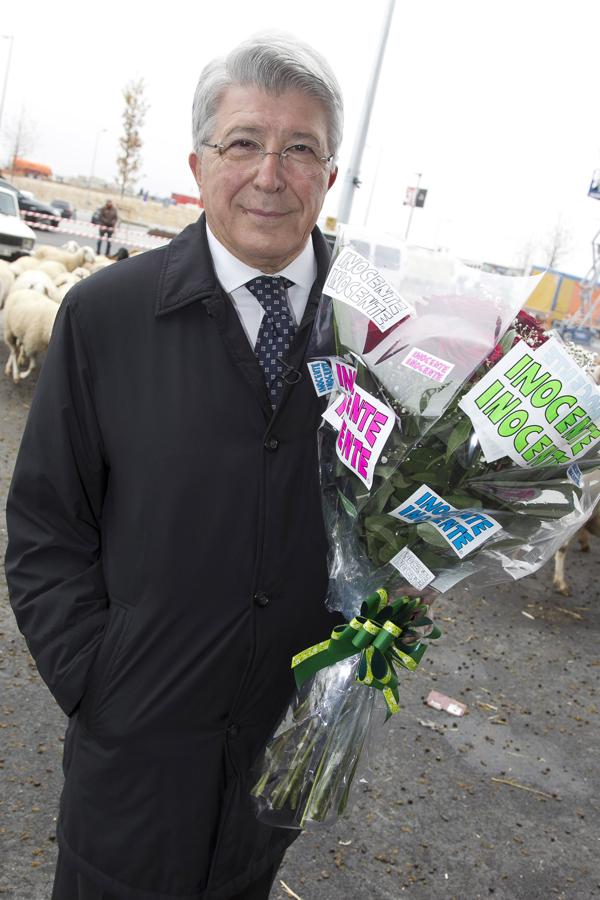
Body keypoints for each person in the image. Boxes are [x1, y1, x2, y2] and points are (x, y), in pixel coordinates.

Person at [5, 33, 342, 900]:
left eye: (300, 147)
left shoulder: (380, 336)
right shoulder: (104, 318)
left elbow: (410, 513)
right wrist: (98, 676)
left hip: (281, 749)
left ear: (330, 174)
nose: (270, 172)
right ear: (198, 163)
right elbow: (45, 524)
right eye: (242, 143)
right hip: (133, 750)